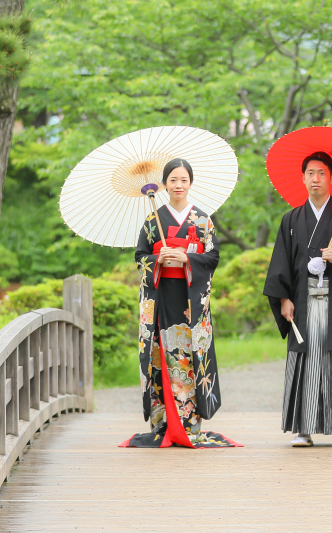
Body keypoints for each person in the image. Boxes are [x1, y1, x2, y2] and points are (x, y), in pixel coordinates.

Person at [119, 158, 239, 448]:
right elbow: (140, 257)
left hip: (189, 303)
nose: (178, 185)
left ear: (190, 183)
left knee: (190, 357)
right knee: (160, 356)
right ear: (164, 184)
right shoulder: (153, 220)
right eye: (173, 180)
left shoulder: (203, 220)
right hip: (162, 299)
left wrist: (187, 258)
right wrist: (156, 259)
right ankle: (163, 423)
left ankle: (189, 423)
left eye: (184, 180)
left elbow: (213, 257)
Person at [263, 151, 332, 447]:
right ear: (303, 178)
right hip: (303, 300)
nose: (316, 179)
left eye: (322, 173)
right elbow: (281, 263)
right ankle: (304, 428)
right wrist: (283, 298)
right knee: (307, 360)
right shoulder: (291, 220)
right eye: (310, 173)